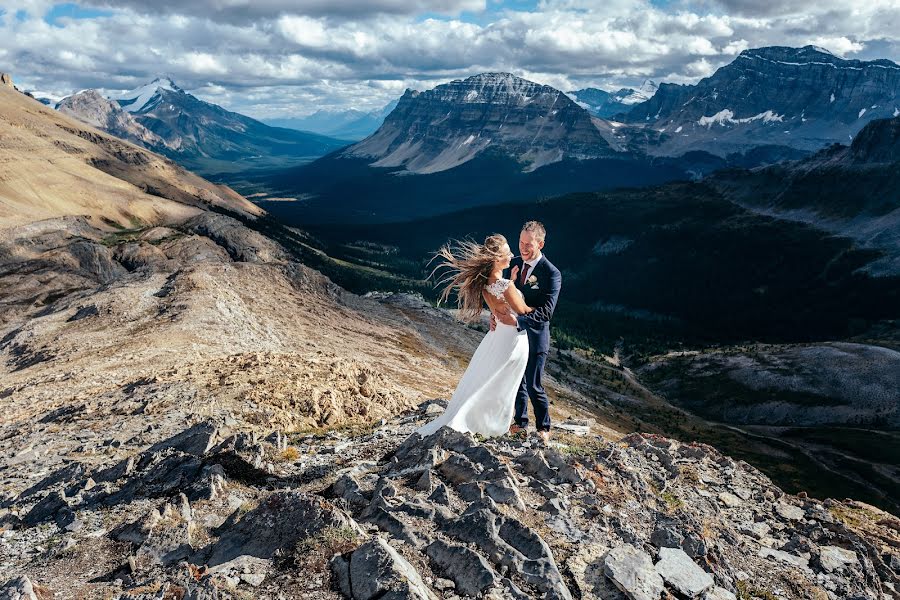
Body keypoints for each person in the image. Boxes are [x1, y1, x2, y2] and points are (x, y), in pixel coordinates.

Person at [415, 234, 532, 438]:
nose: (512, 255)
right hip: (513, 338)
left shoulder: (485, 283)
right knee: (504, 382)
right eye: (507, 253)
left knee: (490, 379)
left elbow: (501, 304)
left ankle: (482, 421)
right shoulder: (506, 285)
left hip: (497, 337)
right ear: (496, 259)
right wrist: (545, 307)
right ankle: (492, 424)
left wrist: (512, 283)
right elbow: (523, 311)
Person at [496, 221, 562, 444]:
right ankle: (519, 423)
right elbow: (504, 294)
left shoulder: (551, 273)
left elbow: (546, 312)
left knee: (534, 384)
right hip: (513, 335)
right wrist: (496, 315)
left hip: (535, 336)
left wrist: (518, 320)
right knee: (517, 381)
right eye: (520, 243)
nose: (523, 249)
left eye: (528, 245)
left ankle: (544, 426)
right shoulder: (513, 263)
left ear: (541, 244)